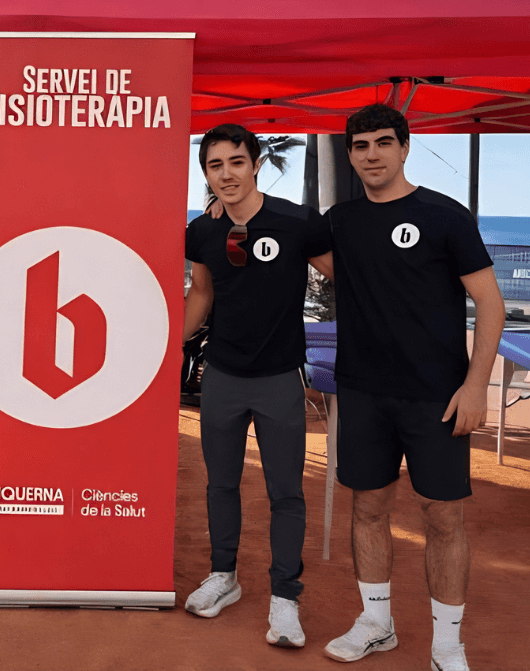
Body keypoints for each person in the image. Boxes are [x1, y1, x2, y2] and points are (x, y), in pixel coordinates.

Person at [322, 104, 504, 671]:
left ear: (404, 148)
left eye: (382, 143)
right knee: (368, 508)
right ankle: (378, 623)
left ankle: (447, 643)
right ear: (350, 155)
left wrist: (476, 388)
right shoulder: (340, 220)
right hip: (363, 392)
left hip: (437, 396)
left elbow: (491, 306)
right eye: (359, 145)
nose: (371, 154)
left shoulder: (445, 215)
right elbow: (294, 243)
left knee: (443, 517)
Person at [182, 124, 333, 648]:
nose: (226, 174)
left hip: (278, 379)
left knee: (285, 492)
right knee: (220, 484)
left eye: (236, 162)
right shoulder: (202, 231)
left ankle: (285, 599)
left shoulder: (296, 222)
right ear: (206, 173)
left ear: (256, 164)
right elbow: (201, 293)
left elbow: (347, 279)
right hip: (222, 376)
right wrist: (165, 349)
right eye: (214, 165)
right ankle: (224, 577)